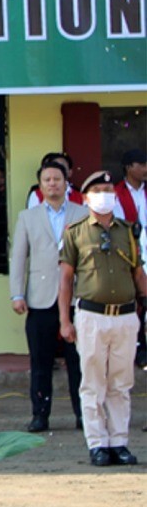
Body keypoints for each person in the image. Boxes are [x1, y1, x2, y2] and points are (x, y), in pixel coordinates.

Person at [59, 171, 146, 467]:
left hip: (125, 315)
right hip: (91, 316)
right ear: (85, 198)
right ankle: (97, 444)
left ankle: (119, 442)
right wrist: (65, 320)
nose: (104, 195)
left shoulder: (127, 231)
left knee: (121, 383)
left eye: (108, 189)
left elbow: (138, 273)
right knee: (93, 383)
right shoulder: (75, 232)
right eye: (97, 190)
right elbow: (66, 279)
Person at [11, 161, 87, 433]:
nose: (52, 183)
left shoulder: (82, 213)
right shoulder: (27, 217)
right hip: (40, 297)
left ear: (66, 183)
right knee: (40, 361)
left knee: (79, 362)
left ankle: (84, 414)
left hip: (77, 297)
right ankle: (40, 415)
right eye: (47, 180)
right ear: (40, 185)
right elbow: (19, 258)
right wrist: (17, 293)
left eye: (57, 179)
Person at [112, 148, 147, 368]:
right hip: (131, 252)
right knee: (135, 302)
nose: (145, 169)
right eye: (141, 164)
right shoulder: (116, 193)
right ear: (128, 167)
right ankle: (138, 348)